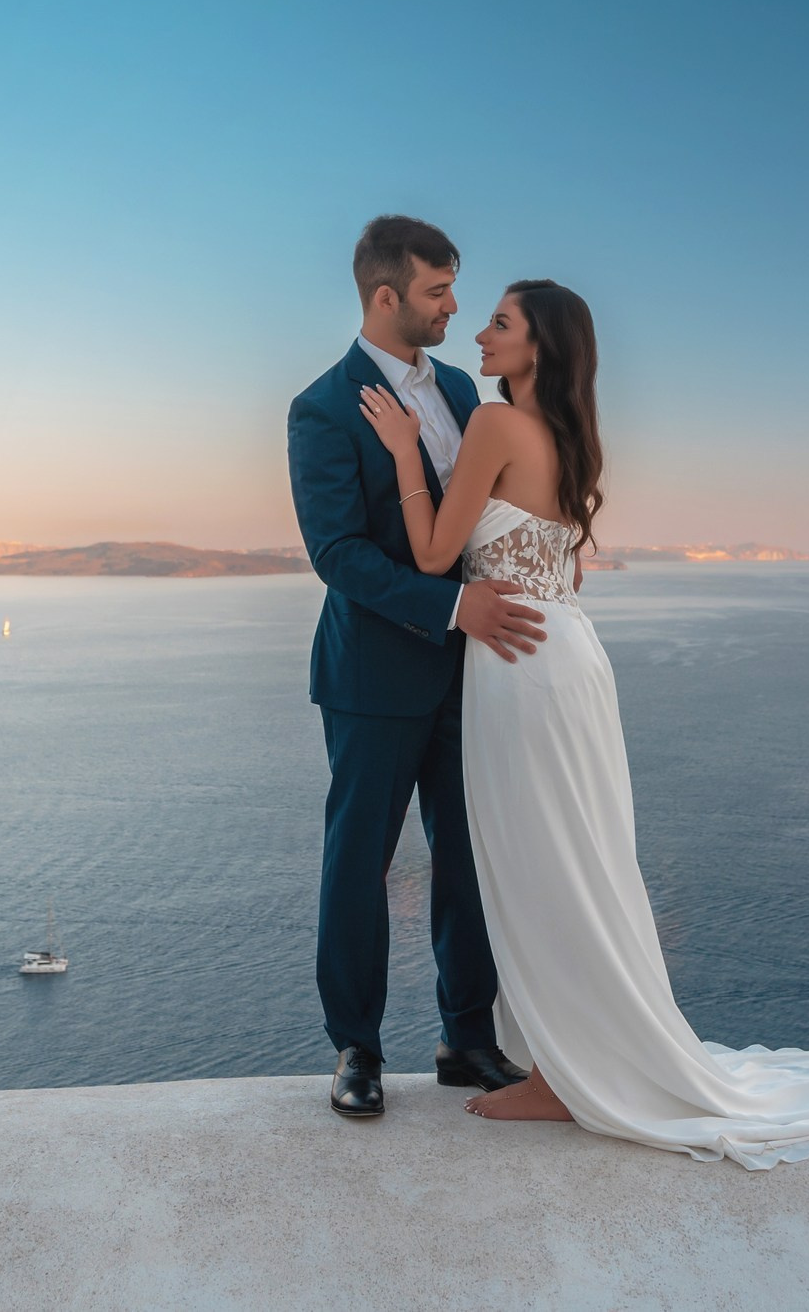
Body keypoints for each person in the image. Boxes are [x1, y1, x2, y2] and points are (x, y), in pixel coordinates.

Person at [357, 277, 809, 1167]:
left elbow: (436, 555)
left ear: (541, 348)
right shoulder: (571, 438)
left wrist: (407, 453)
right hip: (566, 656)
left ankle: (565, 1076)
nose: (479, 334)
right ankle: (568, 1058)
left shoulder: (492, 425)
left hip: (519, 668)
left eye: (500, 322)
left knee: (540, 868)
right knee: (584, 860)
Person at [286, 216, 546, 1119]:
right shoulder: (321, 407)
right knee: (359, 861)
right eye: (438, 291)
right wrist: (449, 606)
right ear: (385, 295)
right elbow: (339, 555)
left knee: (467, 855)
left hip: (473, 671)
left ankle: (466, 1036)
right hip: (372, 679)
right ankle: (356, 1047)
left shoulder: (470, 394)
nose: (453, 307)